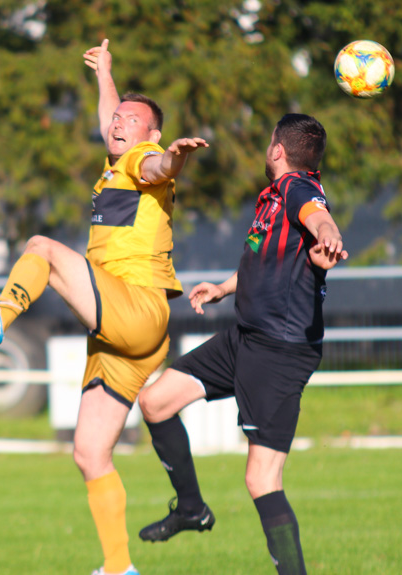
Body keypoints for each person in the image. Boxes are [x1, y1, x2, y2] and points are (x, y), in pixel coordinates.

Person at [0, 39, 208, 575]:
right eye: (116, 119)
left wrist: (176, 158)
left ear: (151, 134)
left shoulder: (143, 159)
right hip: (125, 337)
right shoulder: (116, 157)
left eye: (131, 121)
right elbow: (110, 124)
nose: (118, 125)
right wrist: (105, 76)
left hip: (136, 308)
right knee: (89, 453)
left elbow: (159, 166)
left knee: (42, 248)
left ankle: (0, 316)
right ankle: (119, 569)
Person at [136, 113, 348, 575]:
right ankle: (191, 509)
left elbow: (320, 217)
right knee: (155, 401)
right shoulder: (273, 196)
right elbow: (264, 261)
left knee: (261, 479)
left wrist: (329, 237)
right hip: (244, 338)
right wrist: (222, 288)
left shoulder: (298, 189)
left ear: (277, 149)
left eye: (270, 139)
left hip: (280, 351)